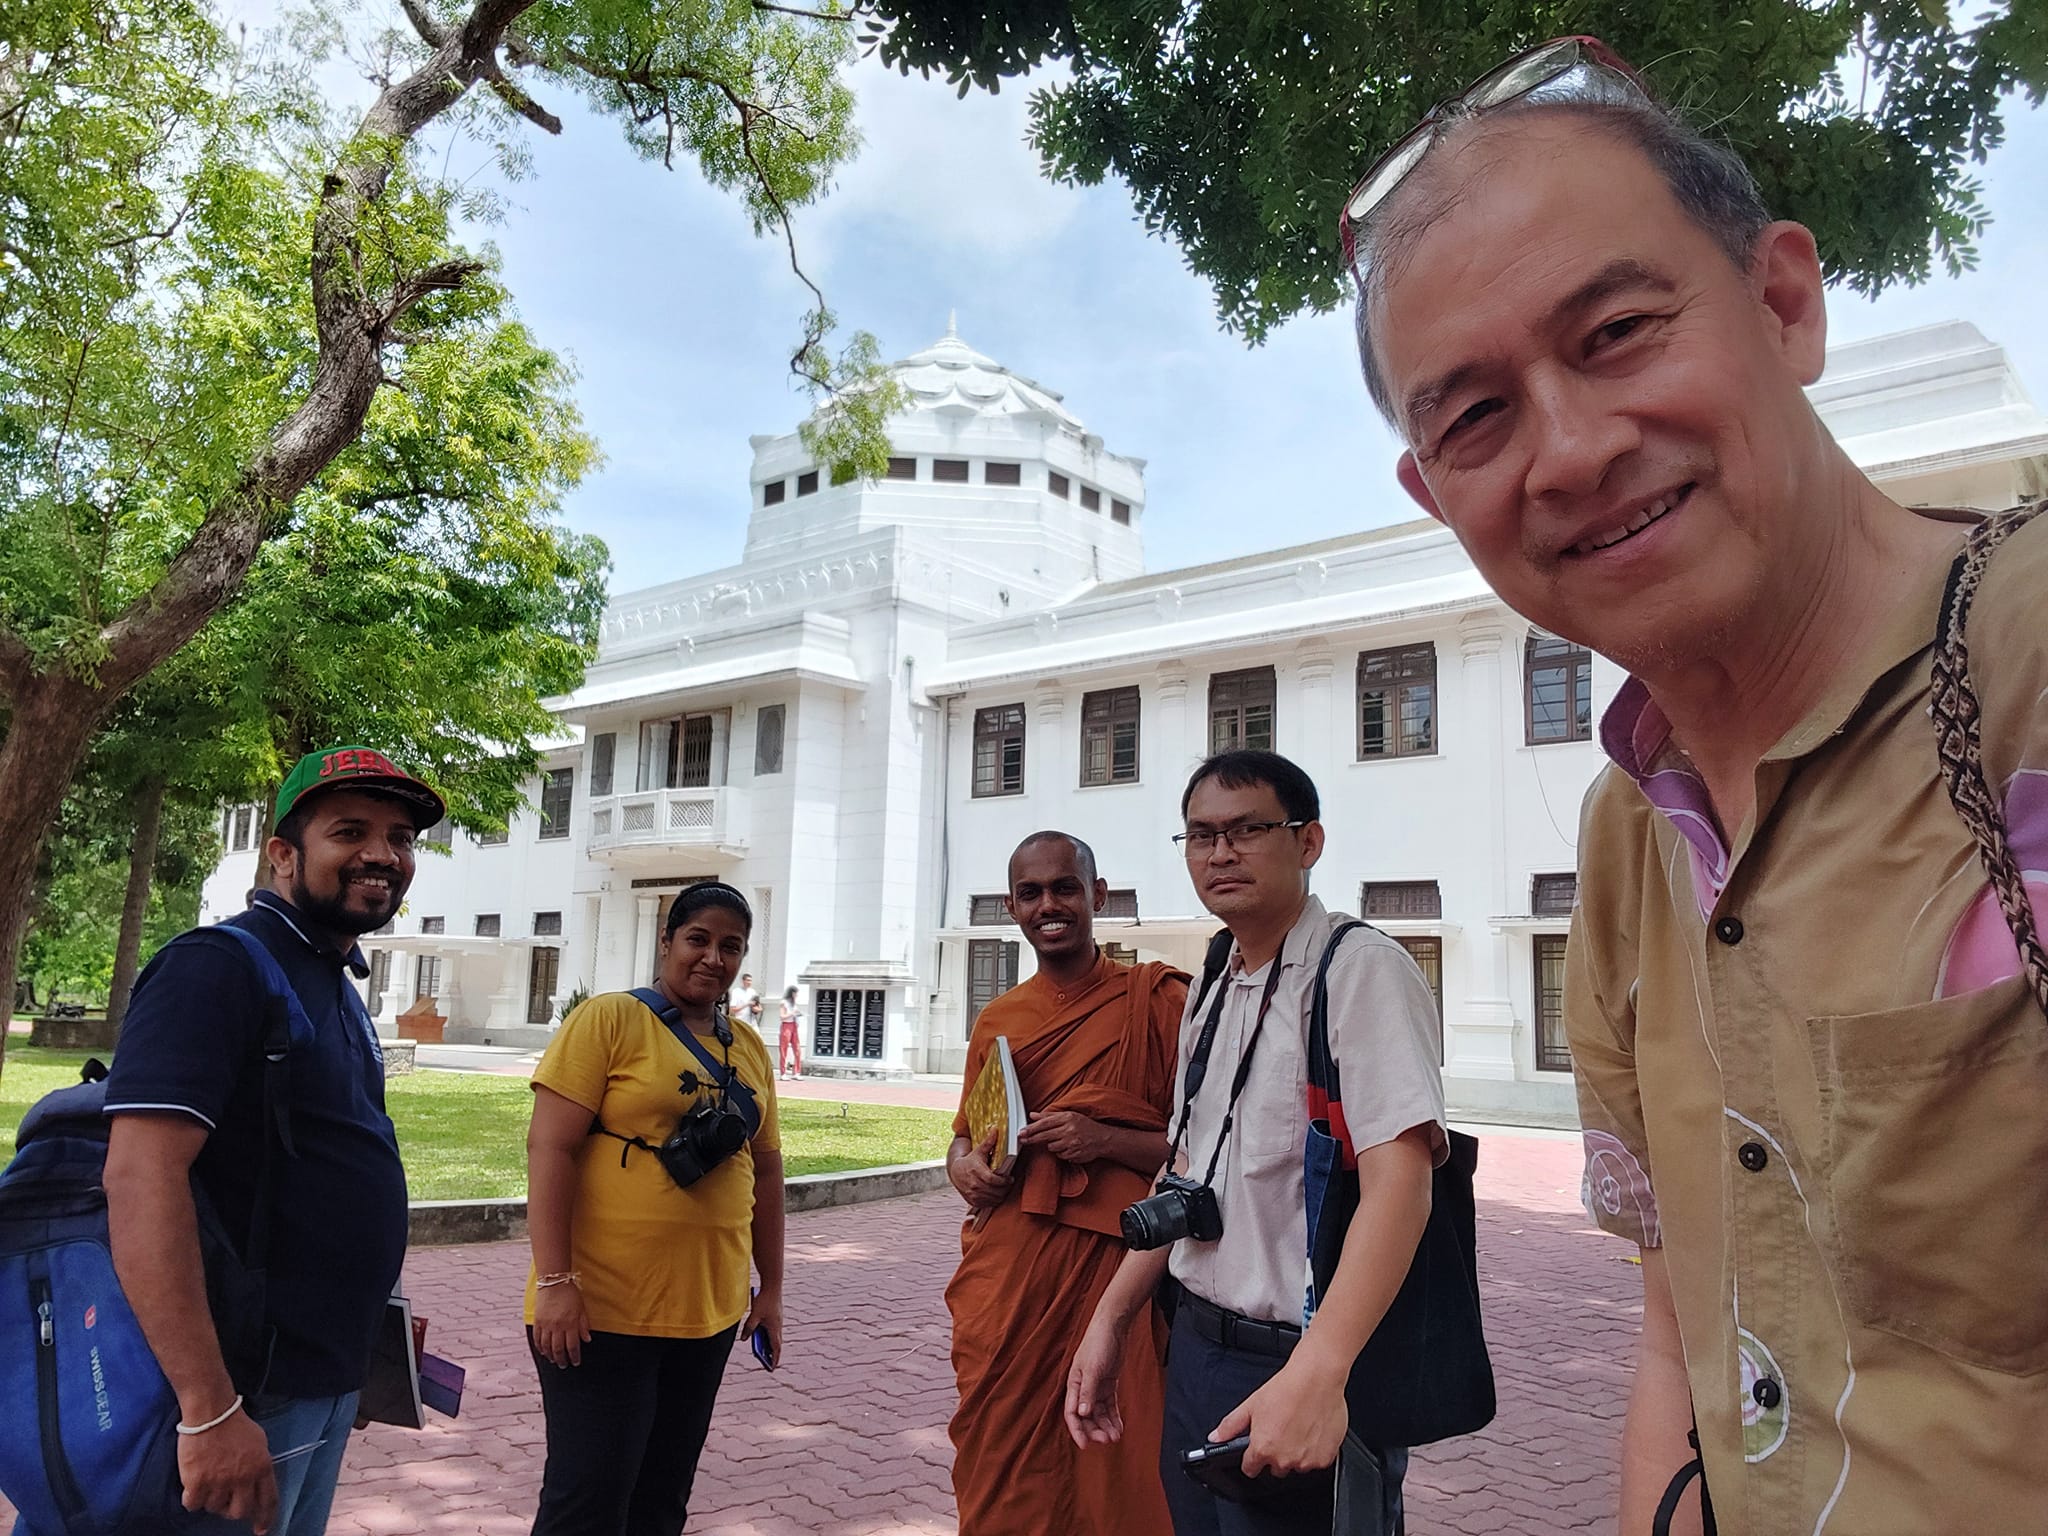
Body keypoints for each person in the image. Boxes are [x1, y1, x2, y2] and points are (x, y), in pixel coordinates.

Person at [1347, 35, 2048, 1534]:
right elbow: (1681, 1343)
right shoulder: (1628, 837)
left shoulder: (2026, 670)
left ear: (1783, 302)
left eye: (1616, 332)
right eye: (1472, 418)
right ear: (1433, 494)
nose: (1568, 452)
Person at [1067, 753, 1446, 1535]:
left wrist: (1320, 1370)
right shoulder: (1214, 976)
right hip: (1196, 1345)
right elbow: (1184, 1171)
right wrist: (1111, 1319)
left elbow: (1402, 1183)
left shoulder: (1358, 970)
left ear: (1308, 842)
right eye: (1202, 835)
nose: (1221, 853)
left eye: (1246, 830)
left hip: (1304, 1358)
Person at [101, 745, 445, 1536]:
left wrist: (365, 1352)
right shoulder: (216, 968)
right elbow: (140, 1178)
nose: (382, 854)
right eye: (350, 832)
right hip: (239, 1393)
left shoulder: (331, 980)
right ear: (283, 855)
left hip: (319, 1379)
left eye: (400, 838)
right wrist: (207, 1408)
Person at [945, 831, 1188, 1536]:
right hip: (1010, 1270)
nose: (1048, 905)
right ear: (1012, 908)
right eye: (1030, 893)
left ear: (1097, 896)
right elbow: (965, 1134)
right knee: (1003, 1454)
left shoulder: (1159, 1003)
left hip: (1122, 1267)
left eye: (1065, 888)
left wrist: (1104, 1140)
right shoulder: (999, 1019)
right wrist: (964, 1168)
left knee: (1120, 1456)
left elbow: (1207, 1150)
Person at [524, 881, 784, 1536]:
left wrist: (773, 1289)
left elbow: (766, 1169)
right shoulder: (610, 1020)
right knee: (587, 1504)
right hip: (602, 1310)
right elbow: (550, 1147)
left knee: (662, 1500)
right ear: (666, 941)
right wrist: (555, 1282)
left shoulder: (749, 1047)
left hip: (707, 1311)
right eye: (698, 939)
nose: (714, 958)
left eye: (731, 946)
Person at [776, 986, 803, 1080]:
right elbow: (782, 1016)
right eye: (796, 993)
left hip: (794, 1025)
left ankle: (796, 1072)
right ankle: (783, 1073)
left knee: (797, 1049)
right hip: (786, 1025)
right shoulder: (784, 1003)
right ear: (792, 993)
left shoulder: (794, 1003)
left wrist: (798, 1014)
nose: (797, 995)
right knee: (784, 1049)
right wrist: (792, 1013)